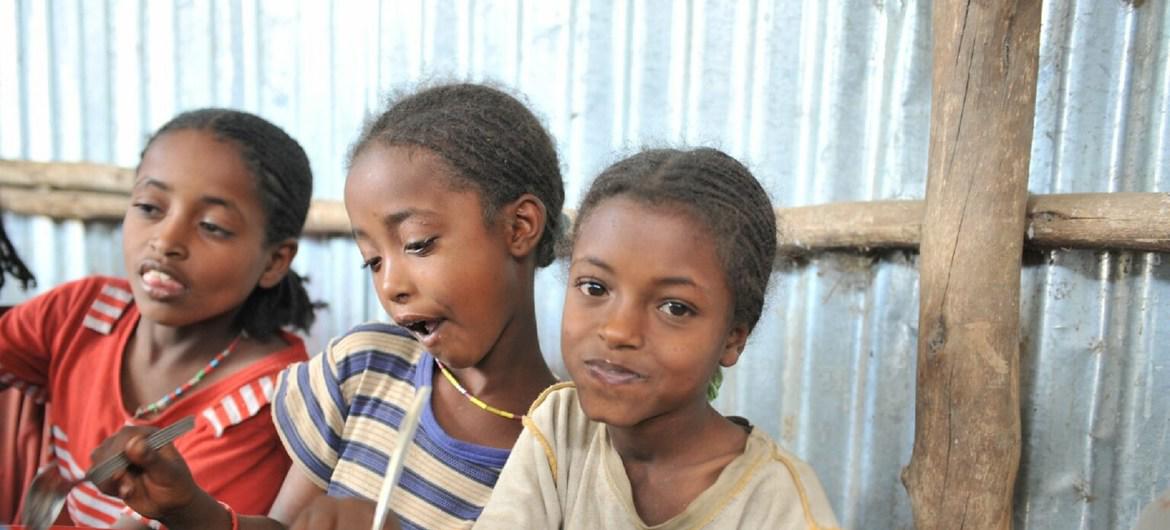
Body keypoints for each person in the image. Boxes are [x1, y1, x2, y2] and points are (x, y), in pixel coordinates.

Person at [93, 83, 564, 530]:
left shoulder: (569, 452)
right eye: (373, 261)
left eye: (418, 243)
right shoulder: (366, 371)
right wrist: (188, 509)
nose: (391, 285)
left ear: (519, 227)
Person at [474, 148, 841, 529]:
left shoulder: (777, 507)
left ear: (733, 338)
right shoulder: (562, 428)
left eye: (675, 308)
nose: (618, 331)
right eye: (595, 287)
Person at [0, 108, 318, 528]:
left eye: (212, 226)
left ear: (274, 261)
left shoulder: (265, 403)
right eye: (150, 207)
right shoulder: (84, 313)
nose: (166, 240)